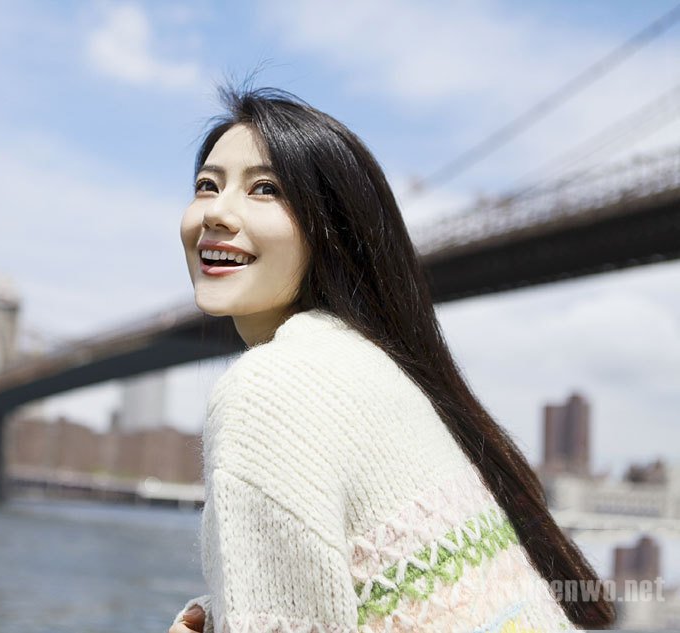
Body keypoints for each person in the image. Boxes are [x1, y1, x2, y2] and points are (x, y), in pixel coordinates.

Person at [169, 85, 616, 633]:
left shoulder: (268, 389)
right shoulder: (378, 368)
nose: (217, 212)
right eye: (205, 186)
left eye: (265, 189)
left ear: (331, 230)